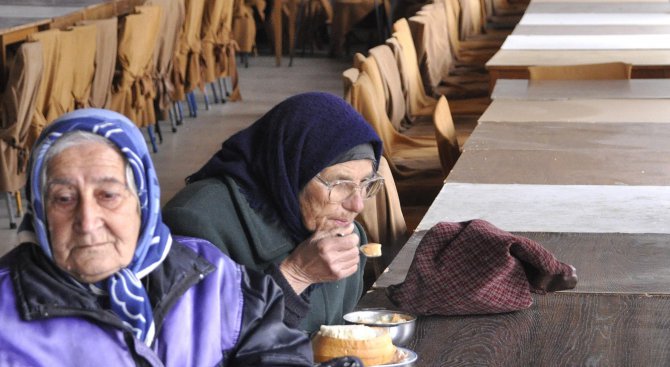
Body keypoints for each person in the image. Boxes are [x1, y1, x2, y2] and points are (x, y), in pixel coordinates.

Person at [0, 108, 313, 366]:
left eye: (108, 195)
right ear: (40, 211)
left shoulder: (208, 274)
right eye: (64, 199)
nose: (87, 221)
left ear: (143, 202)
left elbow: (277, 353)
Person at [163, 92, 384, 333]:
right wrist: (297, 274)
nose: (357, 205)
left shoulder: (346, 238)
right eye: (340, 184)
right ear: (291, 170)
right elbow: (193, 341)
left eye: (365, 184)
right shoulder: (195, 220)